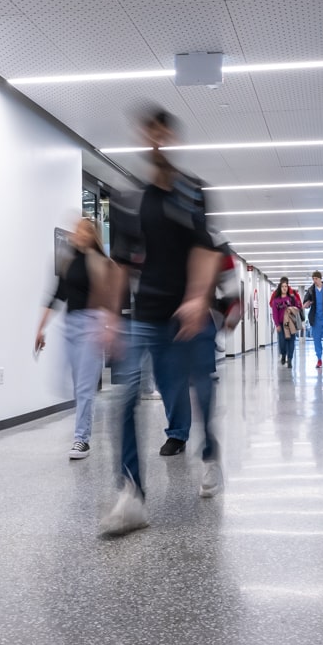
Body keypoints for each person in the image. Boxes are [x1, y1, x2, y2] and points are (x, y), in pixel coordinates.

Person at [100, 108, 225, 537]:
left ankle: (209, 453)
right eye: (147, 131)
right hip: (147, 315)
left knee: (201, 390)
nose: (155, 138)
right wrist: (112, 318)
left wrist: (195, 299)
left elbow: (208, 253)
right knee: (125, 397)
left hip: (189, 314)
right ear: (143, 137)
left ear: (170, 136)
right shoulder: (127, 199)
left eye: (162, 130)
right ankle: (131, 494)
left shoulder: (192, 191)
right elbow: (119, 265)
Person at [35, 216, 115, 460]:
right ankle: (83, 429)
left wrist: (107, 328)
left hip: (92, 325)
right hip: (70, 326)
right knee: (63, 384)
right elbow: (56, 296)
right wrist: (40, 329)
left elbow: (109, 299)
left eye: (83, 230)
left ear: (92, 235)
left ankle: (82, 439)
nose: (77, 233)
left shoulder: (101, 262)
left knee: (84, 388)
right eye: (76, 229)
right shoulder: (67, 262)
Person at [302, 271, 323, 368]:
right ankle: (319, 359)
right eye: (313, 279)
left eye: (316, 279)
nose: (314, 281)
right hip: (315, 320)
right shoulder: (311, 290)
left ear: (320, 279)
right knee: (316, 340)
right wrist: (306, 304)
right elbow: (305, 302)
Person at [269, 277, 301, 367]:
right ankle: (283, 354)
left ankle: (290, 359)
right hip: (281, 324)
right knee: (282, 342)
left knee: (291, 341)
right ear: (280, 287)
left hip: (291, 324)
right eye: (283, 286)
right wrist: (277, 324)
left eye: (286, 286)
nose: (284, 288)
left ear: (288, 287)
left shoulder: (292, 299)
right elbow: (274, 313)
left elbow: (298, 308)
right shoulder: (276, 300)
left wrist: (293, 309)